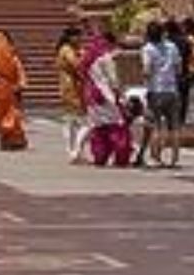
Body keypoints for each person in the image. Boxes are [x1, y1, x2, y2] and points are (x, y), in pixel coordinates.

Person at [82, 27, 128, 167]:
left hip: (92, 96)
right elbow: (113, 80)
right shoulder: (106, 57)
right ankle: (121, 156)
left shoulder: (88, 56)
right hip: (106, 95)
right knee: (116, 126)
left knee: (98, 129)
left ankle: (100, 156)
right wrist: (120, 94)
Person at [138, 22, 182, 167]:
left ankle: (156, 158)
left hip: (155, 90)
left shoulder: (148, 49)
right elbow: (178, 68)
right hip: (172, 90)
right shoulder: (172, 47)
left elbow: (147, 70)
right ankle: (174, 158)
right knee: (174, 126)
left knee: (156, 126)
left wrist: (145, 80)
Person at [0, 31, 29, 150]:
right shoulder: (12, 55)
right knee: (12, 115)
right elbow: (19, 70)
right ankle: (15, 139)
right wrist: (20, 85)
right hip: (10, 89)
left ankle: (4, 140)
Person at [55, 27, 86, 160]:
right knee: (82, 121)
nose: (79, 39)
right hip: (71, 86)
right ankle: (75, 150)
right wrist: (84, 56)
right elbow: (76, 64)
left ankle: (73, 150)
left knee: (70, 120)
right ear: (70, 37)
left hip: (70, 85)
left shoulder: (70, 49)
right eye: (77, 36)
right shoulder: (67, 50)